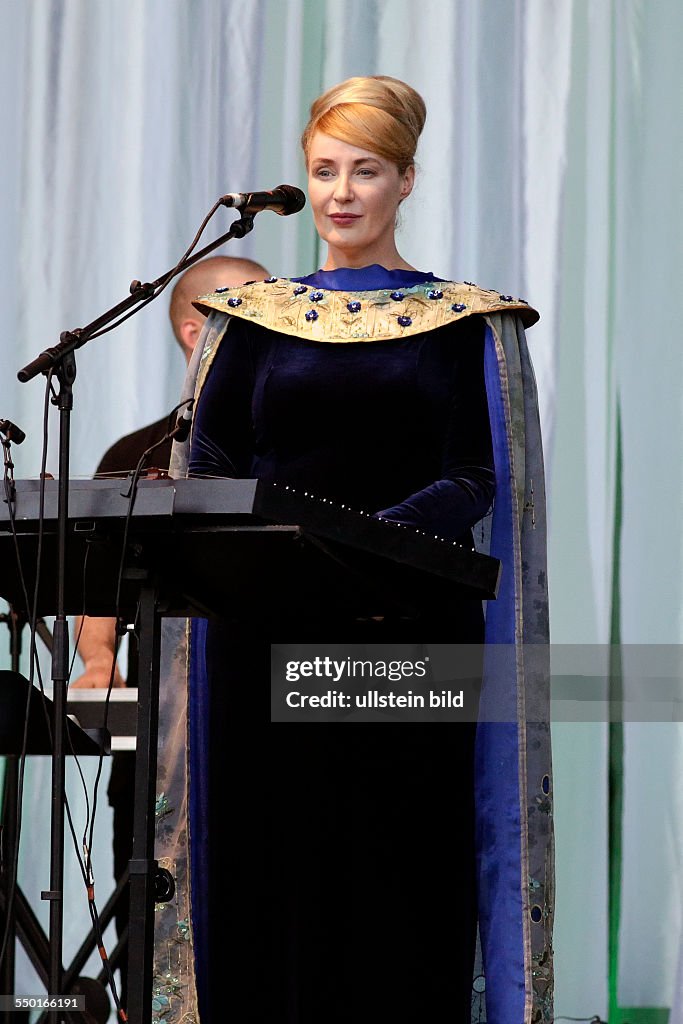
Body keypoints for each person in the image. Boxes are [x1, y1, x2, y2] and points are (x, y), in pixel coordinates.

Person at [163, 75, 553, 1023]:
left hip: (407, 624)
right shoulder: (254, 319)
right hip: (261, 631)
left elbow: (473, 476)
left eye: (365, 171)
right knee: (270, 863)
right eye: (325, 171)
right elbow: (208, 459)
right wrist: (280, 545)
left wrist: (365, 542)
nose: (341, 192)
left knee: (397, 866)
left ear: (406, 181)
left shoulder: (461, 320)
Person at [70, 253, 270, 1006]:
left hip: (280, 714)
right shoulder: (137, 456)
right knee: (152, 924)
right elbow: (98, 602)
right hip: (160, 740)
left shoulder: (295, 450)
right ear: (194, 332)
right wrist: (98, 667)